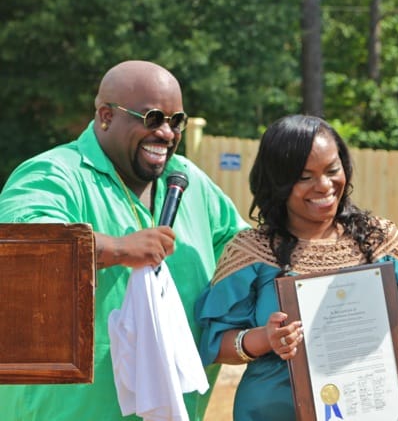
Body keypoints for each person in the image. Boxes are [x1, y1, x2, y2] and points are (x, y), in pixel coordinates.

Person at [0, 60, 249, 420]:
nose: (166, 133)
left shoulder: (188, 181)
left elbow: (244, 250)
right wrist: (118, 249)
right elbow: (22, 245)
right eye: (152, 118)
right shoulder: (54, 173)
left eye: (176, 121)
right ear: (105, 116)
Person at [195, 114, 398, 421]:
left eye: (332, 170)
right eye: (304, 177)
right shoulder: (251, 250)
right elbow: (215, 341)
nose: (324, 186)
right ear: (277, 182)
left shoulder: (380, 241)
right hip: (272, 413)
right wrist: (265, 339)